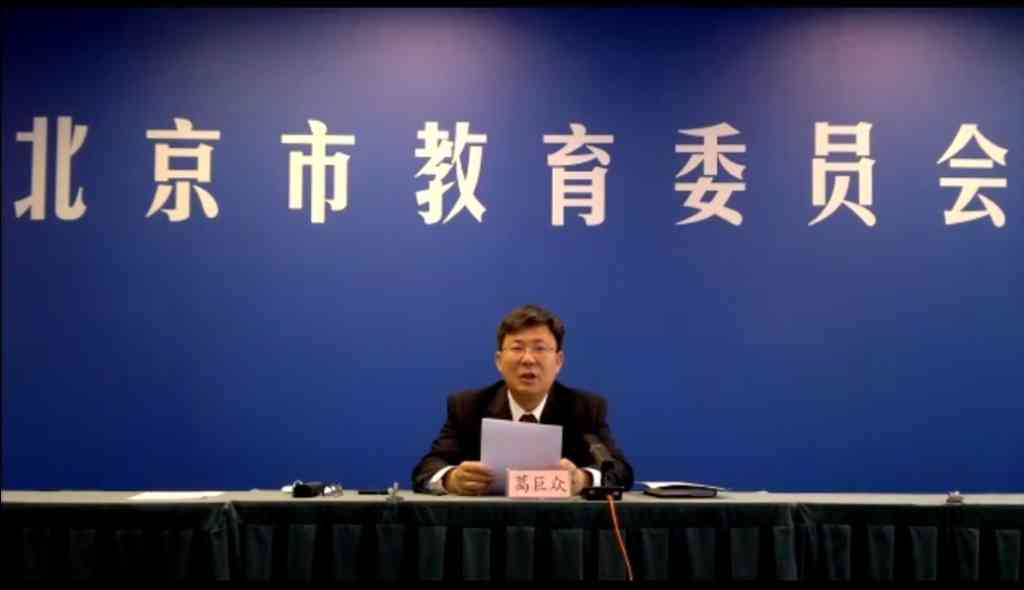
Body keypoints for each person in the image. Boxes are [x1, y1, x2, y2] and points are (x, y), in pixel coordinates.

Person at [412, 304, 633, 495]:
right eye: (517, 348)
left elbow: (620, 471)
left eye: (540, 348)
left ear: (558, 361)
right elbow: (427, 469)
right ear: (499, 361)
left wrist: (583, 479)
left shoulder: (586, 408)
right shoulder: (467, 407)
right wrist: (452, 479)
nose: (528, 359)